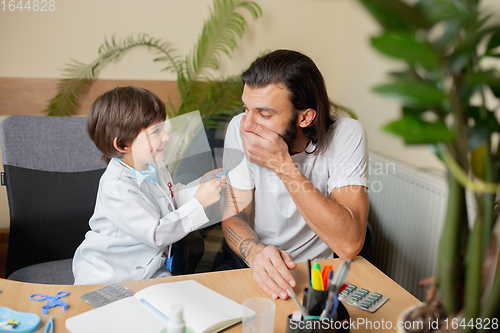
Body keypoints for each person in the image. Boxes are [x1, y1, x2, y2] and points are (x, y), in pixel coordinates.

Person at [218, 50, 369, 300]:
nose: (247, 124)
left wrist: (283, 166)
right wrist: (256, 254)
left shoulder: (346, 134)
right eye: (246, 108)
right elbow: (234, 216)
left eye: (264, 114)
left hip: (316, 272)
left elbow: (349, 244)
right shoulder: (240, 127)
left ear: (305, 117)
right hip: (252, 261)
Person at [73, 86, 225, 285]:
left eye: (163, 127)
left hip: (148, 268)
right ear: (124, 145)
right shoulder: (116, 187)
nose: (166, 137)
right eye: (156, 131)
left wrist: (200, 186)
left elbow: (170, 198)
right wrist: (199, 202)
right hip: (111, 273)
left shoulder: (153, 165)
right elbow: (156, 233)